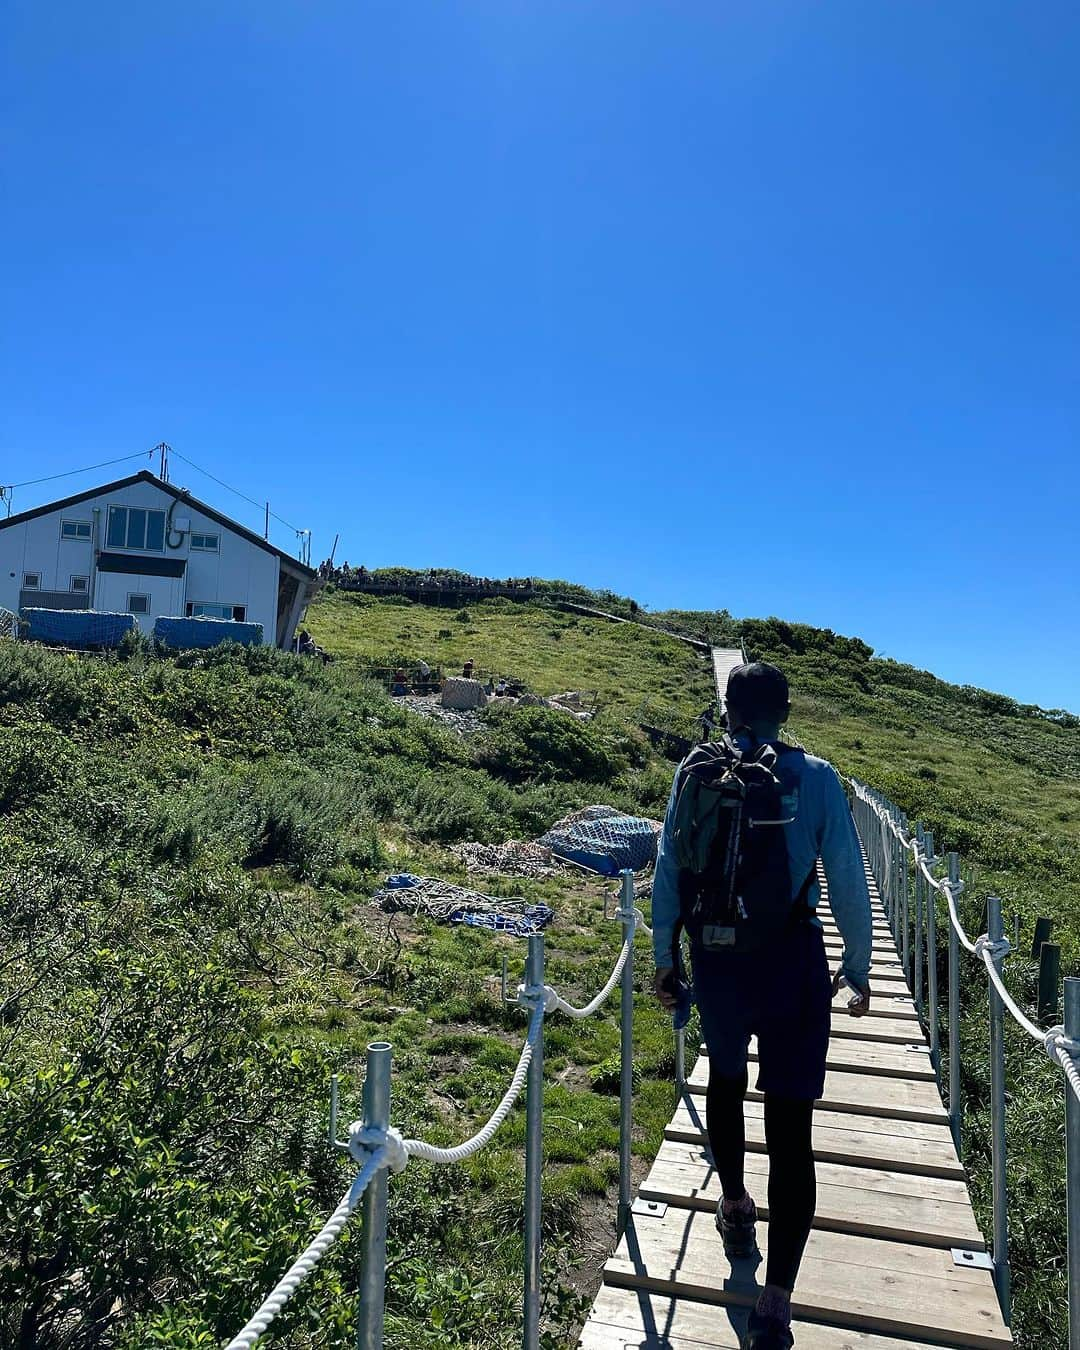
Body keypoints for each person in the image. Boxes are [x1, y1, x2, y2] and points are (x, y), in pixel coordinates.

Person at [651, 662, 872, 1350]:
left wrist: (665, 957)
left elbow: (668, 867)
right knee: (792, 1129)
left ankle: (735, 1204)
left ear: (729, 709)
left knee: (724, 1077)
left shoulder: (697, 773)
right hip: (793, 963)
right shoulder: (819, 778)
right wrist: (858, 967)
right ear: (784, 709)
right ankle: (776, 1304)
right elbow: (846, 876)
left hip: (717, 959)